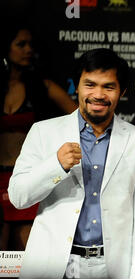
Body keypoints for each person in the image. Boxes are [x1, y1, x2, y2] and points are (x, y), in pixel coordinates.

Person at [8, 48, 135, 279]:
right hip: (52, 264)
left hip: (111, 268)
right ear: (77, 87)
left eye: (108, 86)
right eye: (90, 84)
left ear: (122, 91)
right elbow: (19, 197)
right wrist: (56, 165)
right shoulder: (44, 132)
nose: (98, 94)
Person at [0, 24, 78, 251]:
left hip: (28, 178)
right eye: (20, 44)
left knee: (26, 254)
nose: (27, 50)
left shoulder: (42, 87)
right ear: (6, 48)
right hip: (0, 176)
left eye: (30, 45)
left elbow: (81, 117)